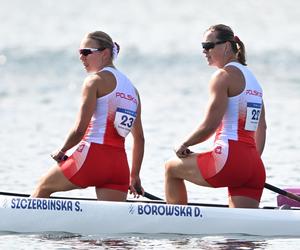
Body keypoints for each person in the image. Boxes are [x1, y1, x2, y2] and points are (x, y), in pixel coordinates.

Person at [32, 31, 145, 201]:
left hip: (92, 157)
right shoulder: (132, 90)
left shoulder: (94, 81)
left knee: (43, 186)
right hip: (119, 166)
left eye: (86, 52)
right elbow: (140, 139)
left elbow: (79, 130)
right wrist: (134, 176)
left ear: (105, 53)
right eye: (80, 53)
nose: (81, 58)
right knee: (109, 223)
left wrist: (62, 151)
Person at [164, 24, 266, 208]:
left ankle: (177, 231)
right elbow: (262, 127)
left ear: (227, 46)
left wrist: (184, 144)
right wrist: (248, 162)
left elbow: (210, 125)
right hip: (254, 166)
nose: (204, 51)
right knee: (242, 231)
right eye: (203, 46)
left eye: (208, 46)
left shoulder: (223, 76)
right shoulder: (254, 83)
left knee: (171, 168)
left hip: (228, 160)